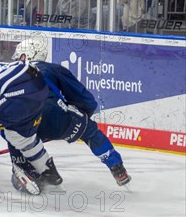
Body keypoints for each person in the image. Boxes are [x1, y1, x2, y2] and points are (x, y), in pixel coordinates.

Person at [9, 39, 131, 193]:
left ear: (28, 55)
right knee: (91, 131)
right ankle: (117, 168)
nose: (15, 58)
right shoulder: (51, 69)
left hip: (24, 120)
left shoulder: (9, 74)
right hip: (56, 115)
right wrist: (82, 119)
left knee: (14, 135)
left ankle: (27, 172)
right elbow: (85, 99)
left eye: (18, 54)